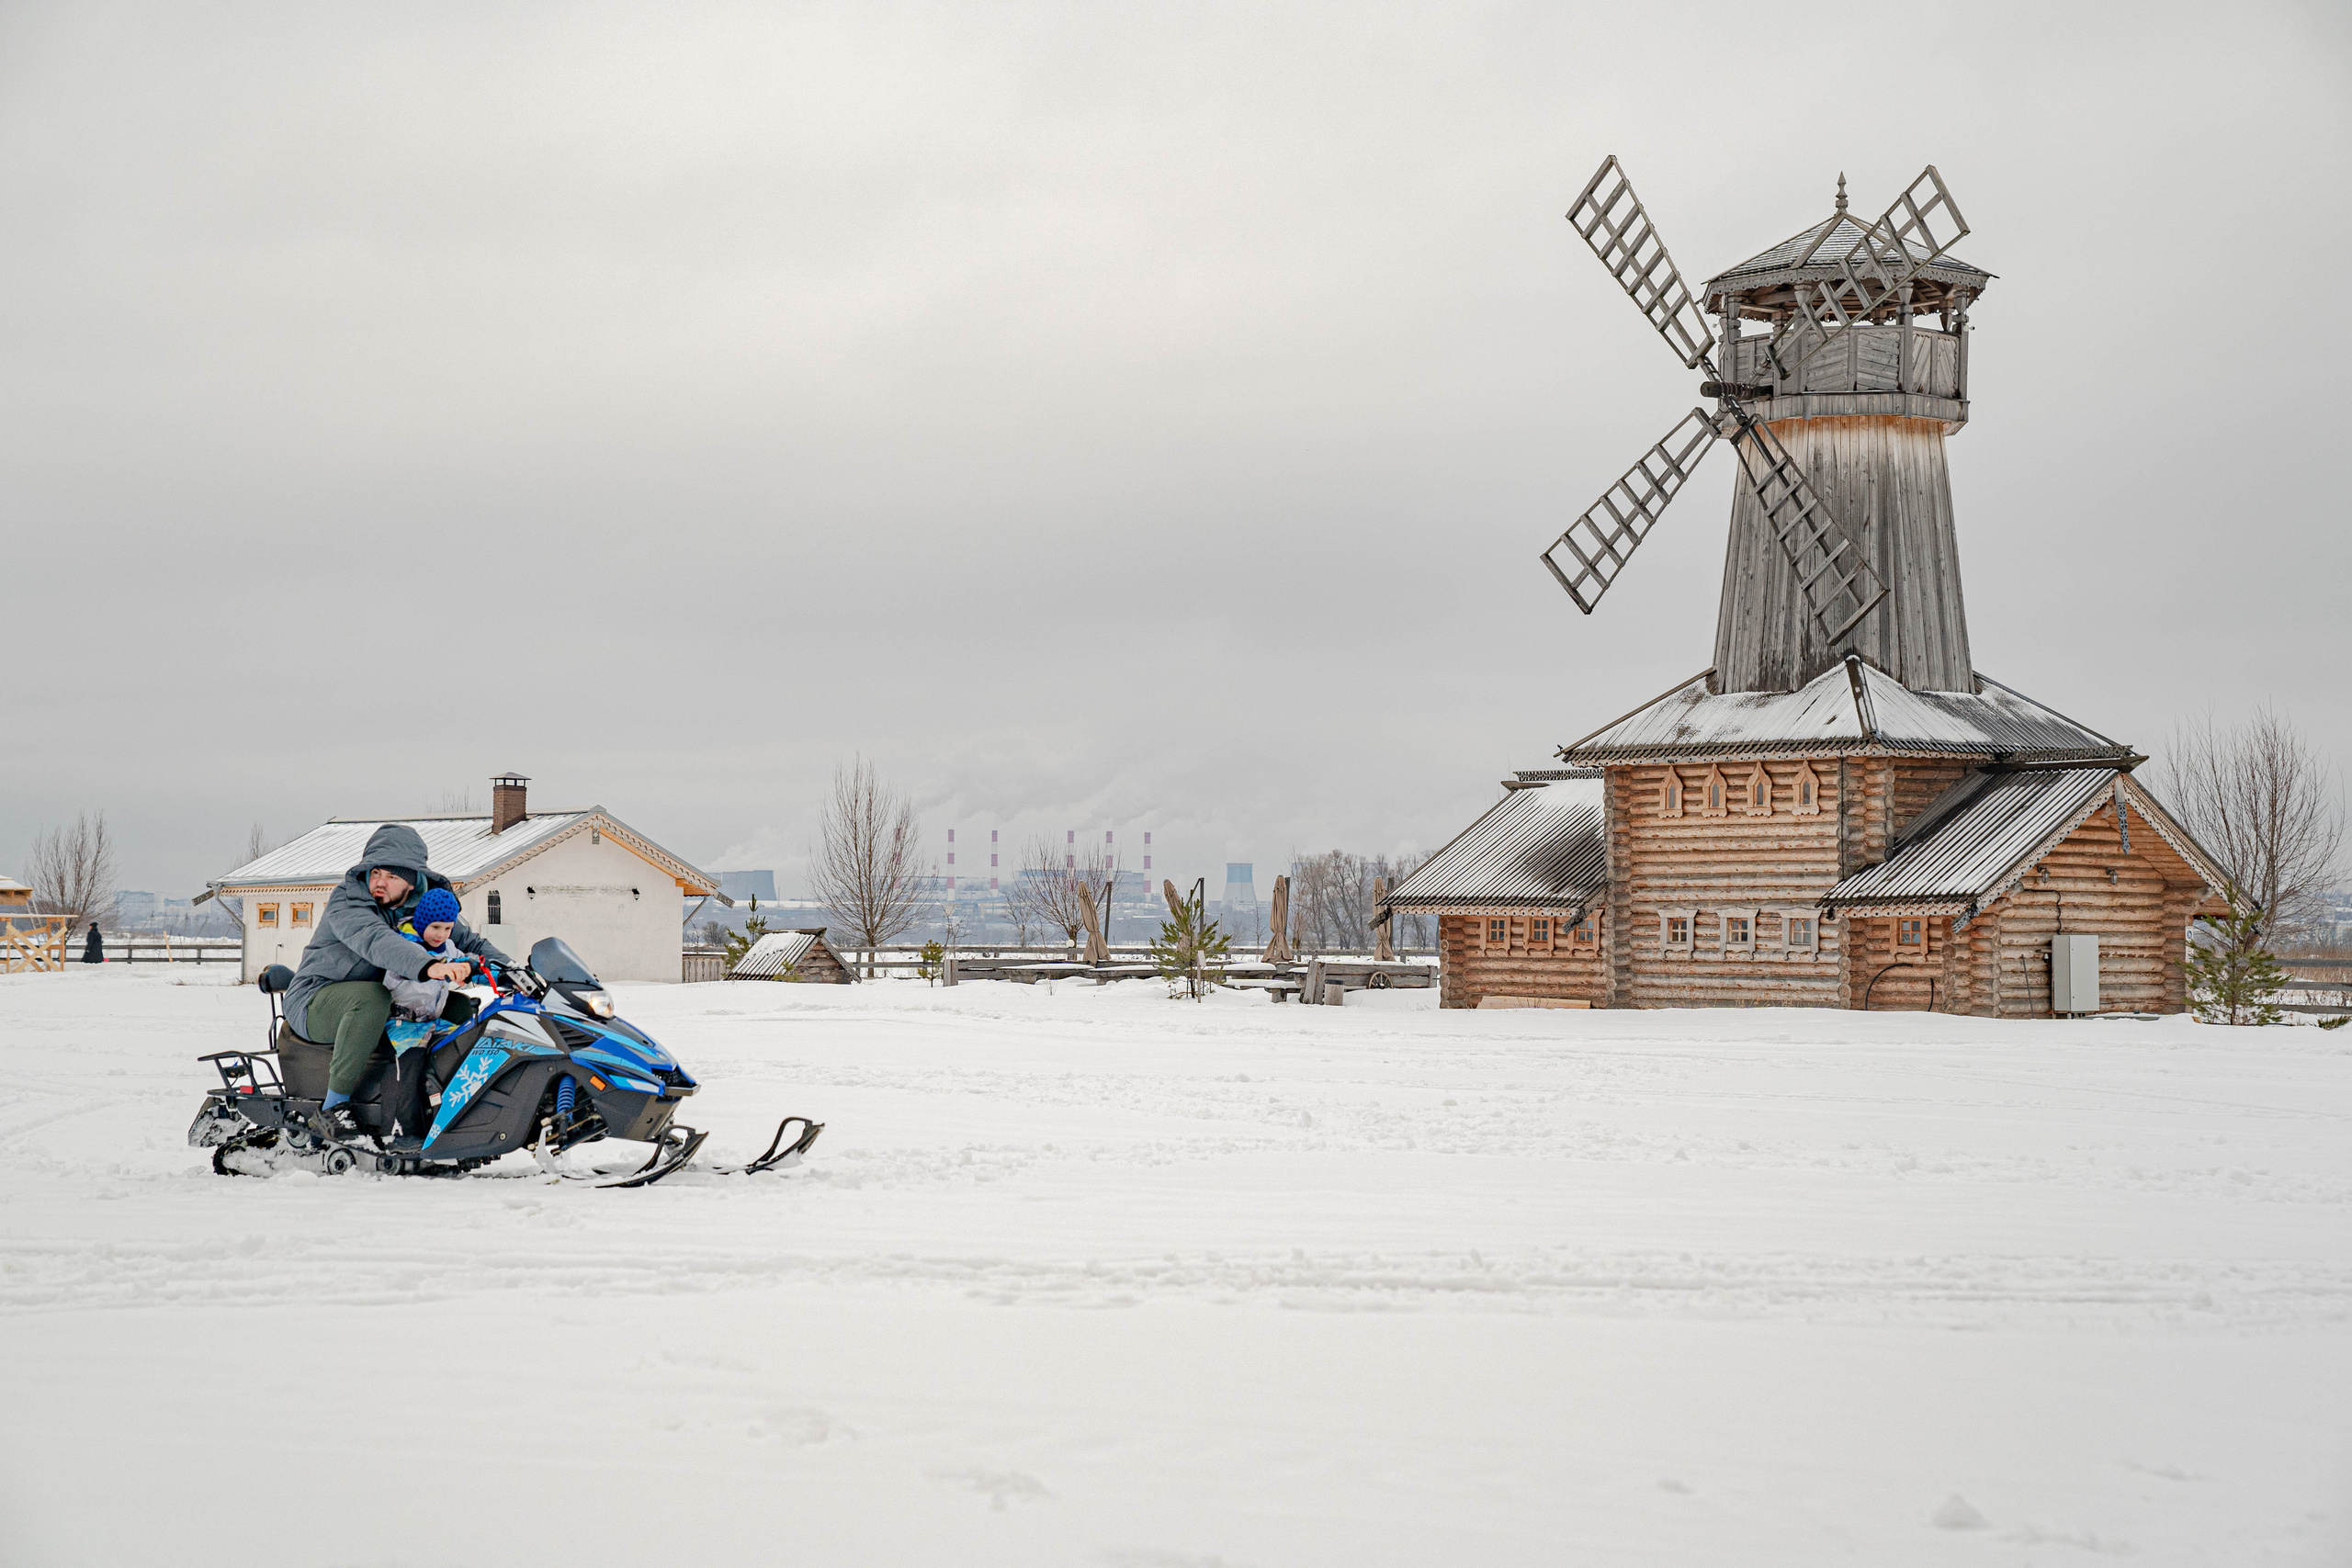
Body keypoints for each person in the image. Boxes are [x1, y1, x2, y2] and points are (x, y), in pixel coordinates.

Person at [282, 824, 507, 1139]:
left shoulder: (426, 906)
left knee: (462, 1009)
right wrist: (430, 965)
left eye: (391, 876)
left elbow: (470, 942)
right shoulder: (348, 902)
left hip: (390, 998)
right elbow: (377, 941)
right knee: (371, 998)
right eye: (375, 873)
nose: (379, 883)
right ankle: (334, 1107)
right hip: (315, 1001)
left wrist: (513, 969)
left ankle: (447, 1101)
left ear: (413, 880)